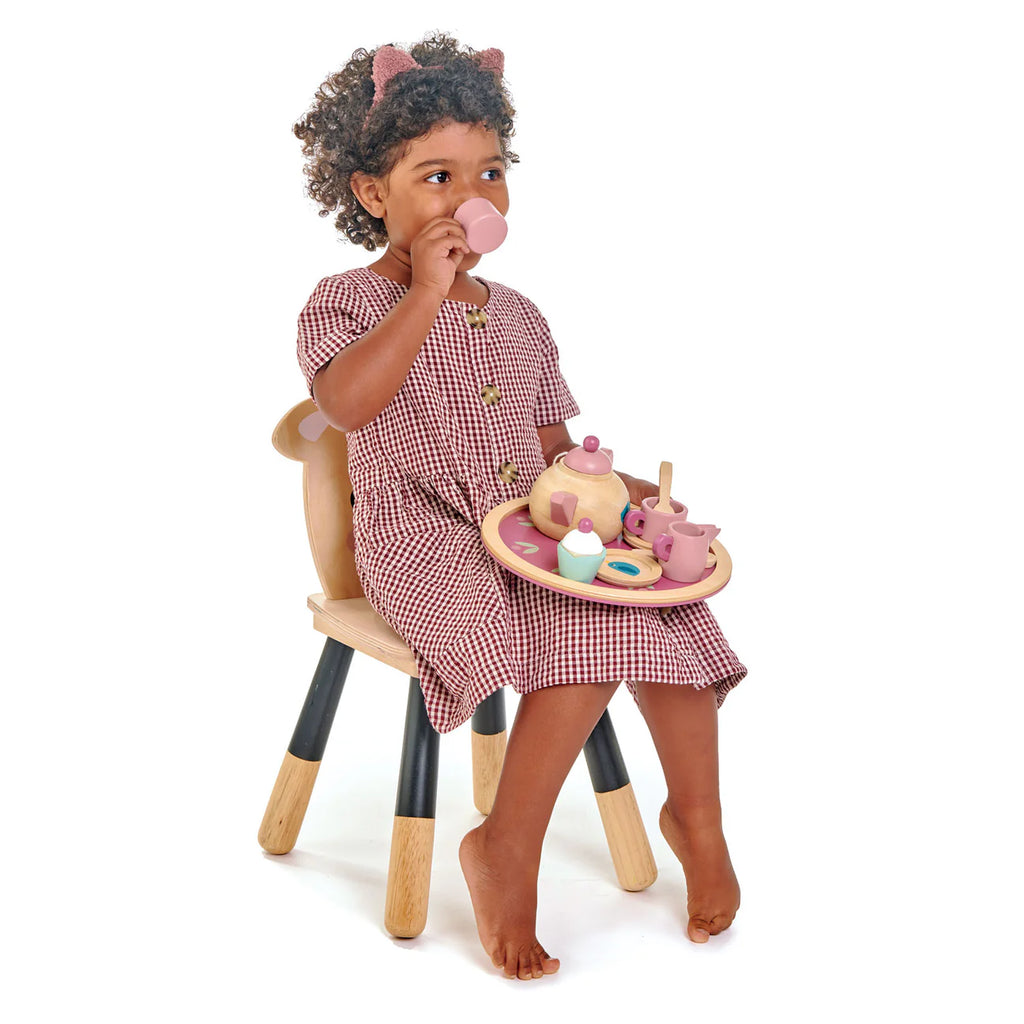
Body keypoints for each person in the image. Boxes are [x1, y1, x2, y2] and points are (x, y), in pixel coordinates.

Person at [294, 34, 747, 981]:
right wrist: (426, 292)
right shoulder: (342, 302)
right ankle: (507, 847)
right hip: (422, 541)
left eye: (490, 172)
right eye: (437, 177)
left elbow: (552, 455)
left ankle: (697, 817)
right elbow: (346, 405)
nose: (472, 197)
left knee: (649, 600)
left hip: (525, 527)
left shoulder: (522, 317)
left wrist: (620, 493)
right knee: (590, 626)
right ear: (372, 194)